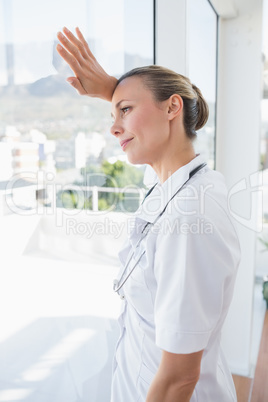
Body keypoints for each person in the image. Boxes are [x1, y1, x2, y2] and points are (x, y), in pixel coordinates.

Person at [56, 27, 241, 402]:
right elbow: (154, 130)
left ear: (173, 108)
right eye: (114, 112)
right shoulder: (181, 182)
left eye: (123, 111)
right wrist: (117, 91)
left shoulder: (189, 218)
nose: (113, 127)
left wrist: (123, 94)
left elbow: (179, 379)